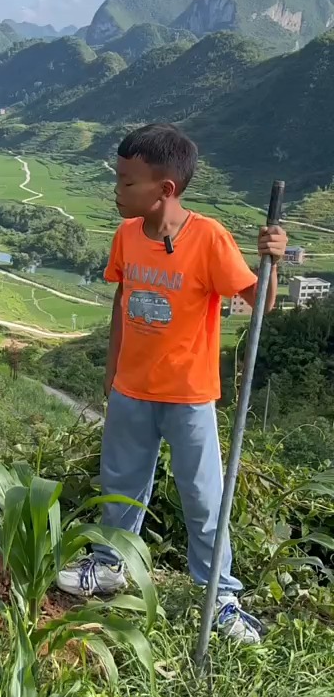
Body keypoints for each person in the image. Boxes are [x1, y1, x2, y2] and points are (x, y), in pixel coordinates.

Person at [57, 124, 287, 644]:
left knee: (204, 499)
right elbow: (121, 305)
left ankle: (220, 595)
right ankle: (111, 564)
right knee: (119, 487)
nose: (117, 192)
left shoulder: (208, 238)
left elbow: (260, 302)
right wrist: (112, 375)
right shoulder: (125, 236)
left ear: (166, 189)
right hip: (131, 390)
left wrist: (272, 259)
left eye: (126, 183)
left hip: (188, 396)